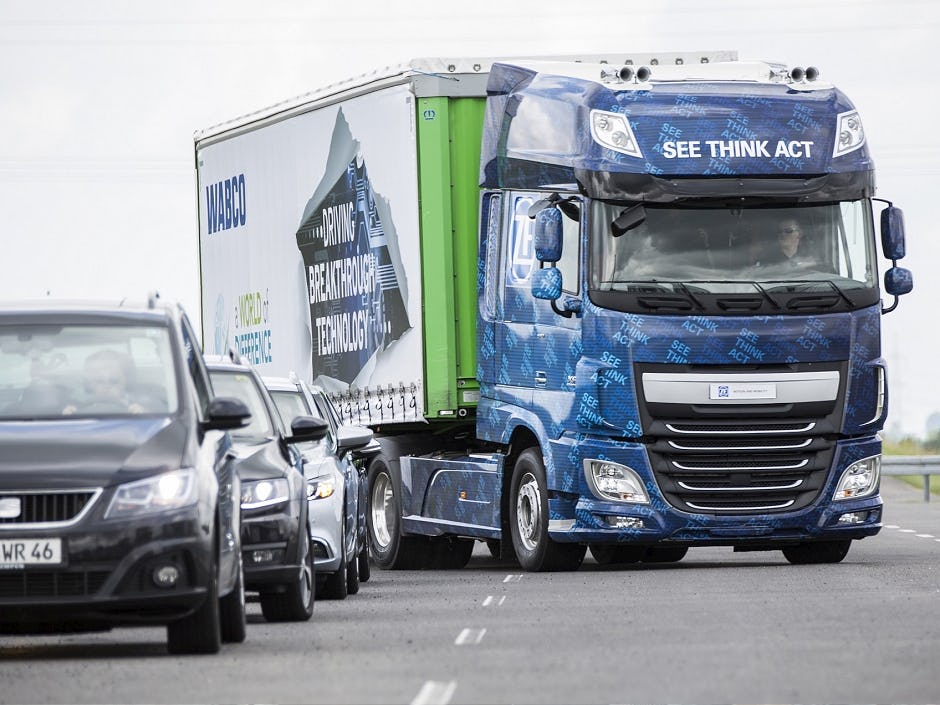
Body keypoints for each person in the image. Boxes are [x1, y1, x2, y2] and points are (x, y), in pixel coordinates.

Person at [63, 349, 145, 414]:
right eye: (99, 381)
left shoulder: (141, 401)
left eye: (114, 381)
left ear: (127, 381)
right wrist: (68, 413)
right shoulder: (76, 402)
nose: (107, 386)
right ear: (89, 383)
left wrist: (143, 413)